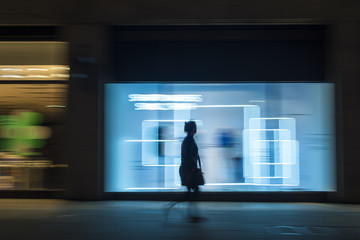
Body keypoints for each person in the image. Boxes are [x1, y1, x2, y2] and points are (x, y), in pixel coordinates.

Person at [164, 121, 204, 222]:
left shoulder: (189, 139)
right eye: (195, 127)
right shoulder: (189, 140)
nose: (196, 129)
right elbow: (187, 156)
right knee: (194, 191)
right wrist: (192, 168)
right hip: (189, 170)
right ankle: (190, 214)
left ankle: (173, 206)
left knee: (191, 191)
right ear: (192, 129)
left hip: (188, 169)